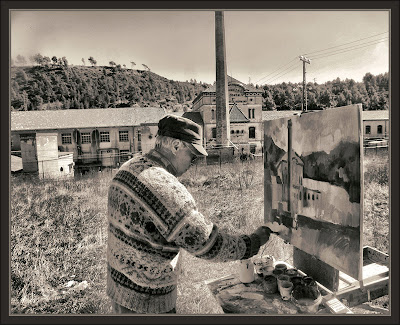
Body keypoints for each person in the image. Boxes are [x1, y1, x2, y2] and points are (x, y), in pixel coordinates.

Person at [106, 114, 272, 314]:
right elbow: (208, 244)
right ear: (176, 146)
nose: (193, 163)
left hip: (120, 288)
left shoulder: (128, 167)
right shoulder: (164, 187)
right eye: (192, 156)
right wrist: (253, 242)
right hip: (147, 301)